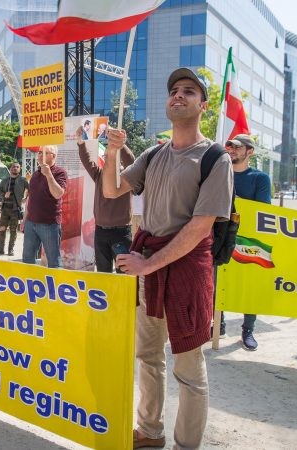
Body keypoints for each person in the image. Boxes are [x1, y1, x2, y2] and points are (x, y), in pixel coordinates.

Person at [103, 67, 233, 449]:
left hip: (188, 270)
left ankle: (185, 445)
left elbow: (199, 227)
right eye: (174, 90)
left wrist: (146, 265)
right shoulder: (153, 153)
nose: (178, 95)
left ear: (202, 105)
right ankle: (149, 431)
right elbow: (111, 190)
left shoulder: (215, 158)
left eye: (189, 91)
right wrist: (110, 152)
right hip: (150, 266)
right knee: (147, 356)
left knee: (189, 370)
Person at [222, 134, 271, 351]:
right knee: (218, 281)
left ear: (249, 152)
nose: (231, 149)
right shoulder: (221, 174)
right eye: (229, 146)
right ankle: (218, 324)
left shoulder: (259, 179)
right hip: (221, 237)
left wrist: (237, 203)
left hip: (248, 240)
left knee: (249, 285)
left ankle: (247, 329)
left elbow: (263, 211)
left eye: (237, 147)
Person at [76, 125, 135, 273]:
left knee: (124, 273)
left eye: (112, 154)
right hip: (101, 232)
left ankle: (122, 297)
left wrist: (119, 143)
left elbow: (132, 162)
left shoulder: (127, 174)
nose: (109, 156)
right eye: (107, 155)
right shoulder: (99, 175)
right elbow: (87, 161)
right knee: (103, 273)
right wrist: (80, 142)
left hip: (121, 232)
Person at [22, 145, 67, 268]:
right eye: (40, 152)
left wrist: (48, 175)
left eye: (45, 152)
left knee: (53, 260)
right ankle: (29, 283)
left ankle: (56, 285)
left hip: (49, 224)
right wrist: (24, 219)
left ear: (54, 156)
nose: (40, 155)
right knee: (27, 259)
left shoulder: (60, 172)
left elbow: (58, 194)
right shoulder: (35, 174)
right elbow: (30, 198)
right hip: (31, 223)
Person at [0, 162, 28, 256]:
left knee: (13, 230)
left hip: (15, 209)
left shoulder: (23, 180)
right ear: (10, 168)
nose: (15, 168)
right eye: (13, 167)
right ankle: (1, 248)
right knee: (2, 229)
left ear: (20, 169)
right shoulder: (5, 180)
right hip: (5, 209)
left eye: (17, 167)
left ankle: (10, 249)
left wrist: (26, 198)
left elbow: (31, 189)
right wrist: (4, 195)